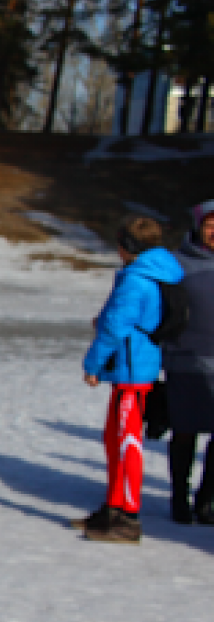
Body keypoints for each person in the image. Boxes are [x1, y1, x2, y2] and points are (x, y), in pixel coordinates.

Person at [77, 214, 185, 543]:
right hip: (131, 366)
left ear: (128, 246)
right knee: (114, 437)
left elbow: (115, 326)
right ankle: (113, 505)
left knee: (127, 442)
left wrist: (93, 364)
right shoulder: (152, 271)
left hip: (133, 371)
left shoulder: (138, 279)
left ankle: (128, 515)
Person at [166, 199, 214, 524]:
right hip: (184, 357)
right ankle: (180, 497)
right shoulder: (176, 263)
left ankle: (206, 498)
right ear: (198, 226)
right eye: (210, 225)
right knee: (185, 431)